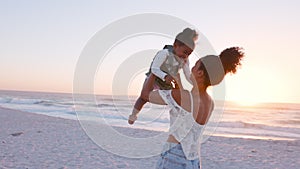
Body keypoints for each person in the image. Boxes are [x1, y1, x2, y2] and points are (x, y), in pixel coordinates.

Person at [146, 47, 244, 168]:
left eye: (195, 66)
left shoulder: (184, 97)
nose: (191, 68)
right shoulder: (210, 102)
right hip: (193, 160)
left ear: (200, 73)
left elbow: (146, 95)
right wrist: (179, 87)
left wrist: (154, 70)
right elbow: (187, 121)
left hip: (173, 158)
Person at [128, 28, 198, 124]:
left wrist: (195, 83)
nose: (186, 56)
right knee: (143, 98)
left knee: (174, 99)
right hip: (155, 79)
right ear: (175, 46)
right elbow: (154, 69)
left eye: (189, 54)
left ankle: (179, 119)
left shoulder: (185, 60)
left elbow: (187, 74)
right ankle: (133, 114)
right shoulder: (164, 53)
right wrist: (165, 76)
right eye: (184, 52)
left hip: (167, 82)